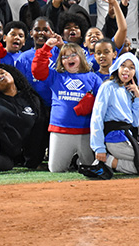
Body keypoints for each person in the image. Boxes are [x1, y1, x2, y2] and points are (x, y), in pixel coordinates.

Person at [33, 35, 103, 173]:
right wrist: (47, 47)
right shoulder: (56, 76)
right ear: (60, 61)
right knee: (55, 170)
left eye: (73, 55)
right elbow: (37, 71)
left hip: (86, 132)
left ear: (81, 57)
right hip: (60, 131)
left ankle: (77, 162)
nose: (69, 59)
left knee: (90, 169)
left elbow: (103, 103)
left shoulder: (93, 78)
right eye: (64, 57)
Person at [90, 52, 139, 176]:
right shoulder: (108, 87)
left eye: (131, 67)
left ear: (135, 72)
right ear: (116, 68)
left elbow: (136, 122)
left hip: (127, 138)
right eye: (123, 65)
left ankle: (112, 161)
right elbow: (97, 118)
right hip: (114, 140)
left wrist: (138, 97)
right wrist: (99, 147)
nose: (126, 70)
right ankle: (110, 162)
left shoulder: (129, 91)